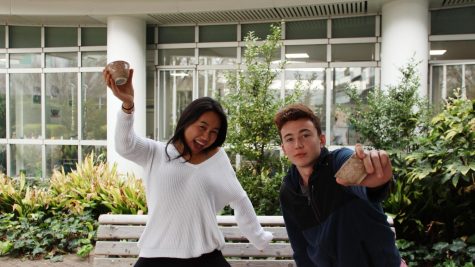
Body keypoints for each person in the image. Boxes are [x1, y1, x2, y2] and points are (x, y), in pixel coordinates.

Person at [104, 68, 273, 267]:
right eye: (202, 127)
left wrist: (259, 237)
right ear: (186, 121)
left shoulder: (217, 157)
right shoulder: (156, 153)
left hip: (207, 257)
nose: (206, 137)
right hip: (156, 257)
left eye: (213, 132)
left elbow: (239, 198)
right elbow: (125, 146)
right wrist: (128, 105)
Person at [274, 103, 404, 267]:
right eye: (289, 139)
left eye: (305, 135)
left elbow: (360, 175)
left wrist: (374, 178)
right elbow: (301, 250)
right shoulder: (289, 191)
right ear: (284, 148)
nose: (298, 144)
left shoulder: (338, 163)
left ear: (321, 140)